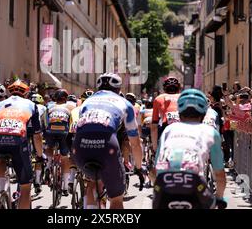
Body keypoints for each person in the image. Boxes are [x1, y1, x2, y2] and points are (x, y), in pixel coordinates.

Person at [72, 73, 144, 209]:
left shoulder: (86, 102)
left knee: (92, 182)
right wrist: (139, 168)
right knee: (116, 198)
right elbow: (134, 142)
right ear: (119, 90)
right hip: (107, 145)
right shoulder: (125, 104)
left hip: (80, 145)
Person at [152, 89, 226, 209]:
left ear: (179, 112)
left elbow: (155, 171)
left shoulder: (168, 129)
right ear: (203, 114)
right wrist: (219, 198)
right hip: (195, 184)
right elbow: (220, 175)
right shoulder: (211, 132)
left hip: (163, 184)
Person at [0, 79, 43, 209]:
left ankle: (2, 190)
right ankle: (6, 195)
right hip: (18, 141)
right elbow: (37, 135)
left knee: (0, 157)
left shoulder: (0, 104)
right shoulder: (31, 105)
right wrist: (40, 155)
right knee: (25, 187)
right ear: (26, 93)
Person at [44, 88, 75, 197]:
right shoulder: (70, 107)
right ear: (65, 98)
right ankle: (65, 187)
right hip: (64, 132)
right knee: (65, 157)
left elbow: (45, 120)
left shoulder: (49, 106)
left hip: (50, 130)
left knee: (49, 147)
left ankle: (48, 165)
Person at [151, 76, 182, 152]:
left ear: (164, 88)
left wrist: (155, 147)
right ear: (178, 89)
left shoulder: (158, 98)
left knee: (161, 154)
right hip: (182, 126)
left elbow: (154, 125)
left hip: (166, 126)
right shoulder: (183, 97)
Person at [30, 92, 47, 194]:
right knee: (39, 156)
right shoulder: (43, 108)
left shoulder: (28, 105)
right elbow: (45, 123)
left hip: (26, 131)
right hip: (37, 131)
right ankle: (37, 181)